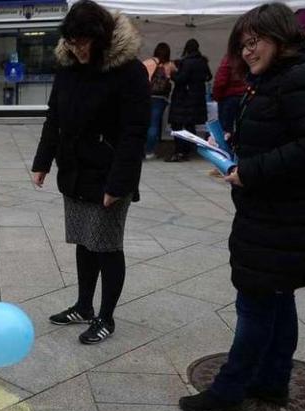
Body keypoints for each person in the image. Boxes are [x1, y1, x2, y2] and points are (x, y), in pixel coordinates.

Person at [179, 3, 305, 411]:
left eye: (254, 42)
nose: (248, 52)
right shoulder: (279, 77)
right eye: (243, 44)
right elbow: (287, 133)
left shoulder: (302, 76)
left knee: (254, 303)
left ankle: (229, 388)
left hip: (287, 219)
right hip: (278, 214)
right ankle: (272, 382)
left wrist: (250, 170)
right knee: (276, 298)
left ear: (280, 37)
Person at [31, 0, 150, 345]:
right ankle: (83, 305)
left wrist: (119, 183)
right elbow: (54, 118)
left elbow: (134, 134)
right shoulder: (67, 68)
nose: (77, 48)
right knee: (84, 240)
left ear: (101, 37)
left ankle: (106, 316)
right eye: (72, 41)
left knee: (107, 246)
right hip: (76, 170)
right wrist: (42, 161)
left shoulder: (129, 72)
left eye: (83, 42)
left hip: (110, 174)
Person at [166, 39, 212, 162]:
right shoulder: (202, 62)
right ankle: (189, 150)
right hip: (197, 98)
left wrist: (172, 73)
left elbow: (181, 79)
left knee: (178, 125)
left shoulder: (187, 62)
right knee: (190, 125)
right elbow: (209, 76)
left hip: (183, 99)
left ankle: (180, 151)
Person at [142, 42, 175, 159]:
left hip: (147, 96)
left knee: (145, 123)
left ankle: (143, 148)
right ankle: (150, 150)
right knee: (155, 124)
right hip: (161, 98)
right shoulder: (169, 65)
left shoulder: (147, 62)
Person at [212, 54, 247, 135]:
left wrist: (217, 96)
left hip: (228, 98)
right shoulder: (245, 59)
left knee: (224, 130)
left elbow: (220, 81)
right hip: (244, 96)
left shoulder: (229, 59)